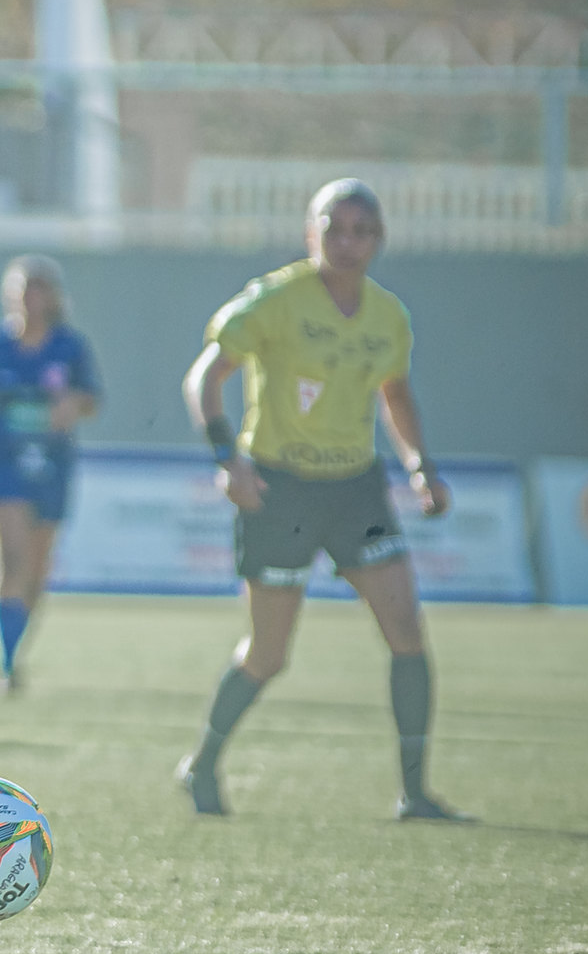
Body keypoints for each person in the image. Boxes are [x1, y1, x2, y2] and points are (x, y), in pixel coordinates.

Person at [176, 178, 468, 822]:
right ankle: (202, 764)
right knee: (269, 653)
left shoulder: (387, 315)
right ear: (311, 234)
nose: (347, 241)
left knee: (406, 631)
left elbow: (394, 393)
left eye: (362, 230)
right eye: (334, 228)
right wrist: (229, 459)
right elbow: (204, 379)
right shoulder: (276, 299)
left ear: (379, 240)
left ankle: (415, 793)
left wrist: (419, 465)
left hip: (355, 489)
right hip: (279, 490)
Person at [0, 255, 100, 692]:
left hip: (52, 463)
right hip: (3, 462)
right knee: (11, 559)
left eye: (38, 290)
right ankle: (5, 662)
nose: (29, 300)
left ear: (52, 296)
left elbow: (90, 399)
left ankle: (16, 652)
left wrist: (71, 405)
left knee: (37, 569)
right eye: (22, 291)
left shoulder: (69, 347)